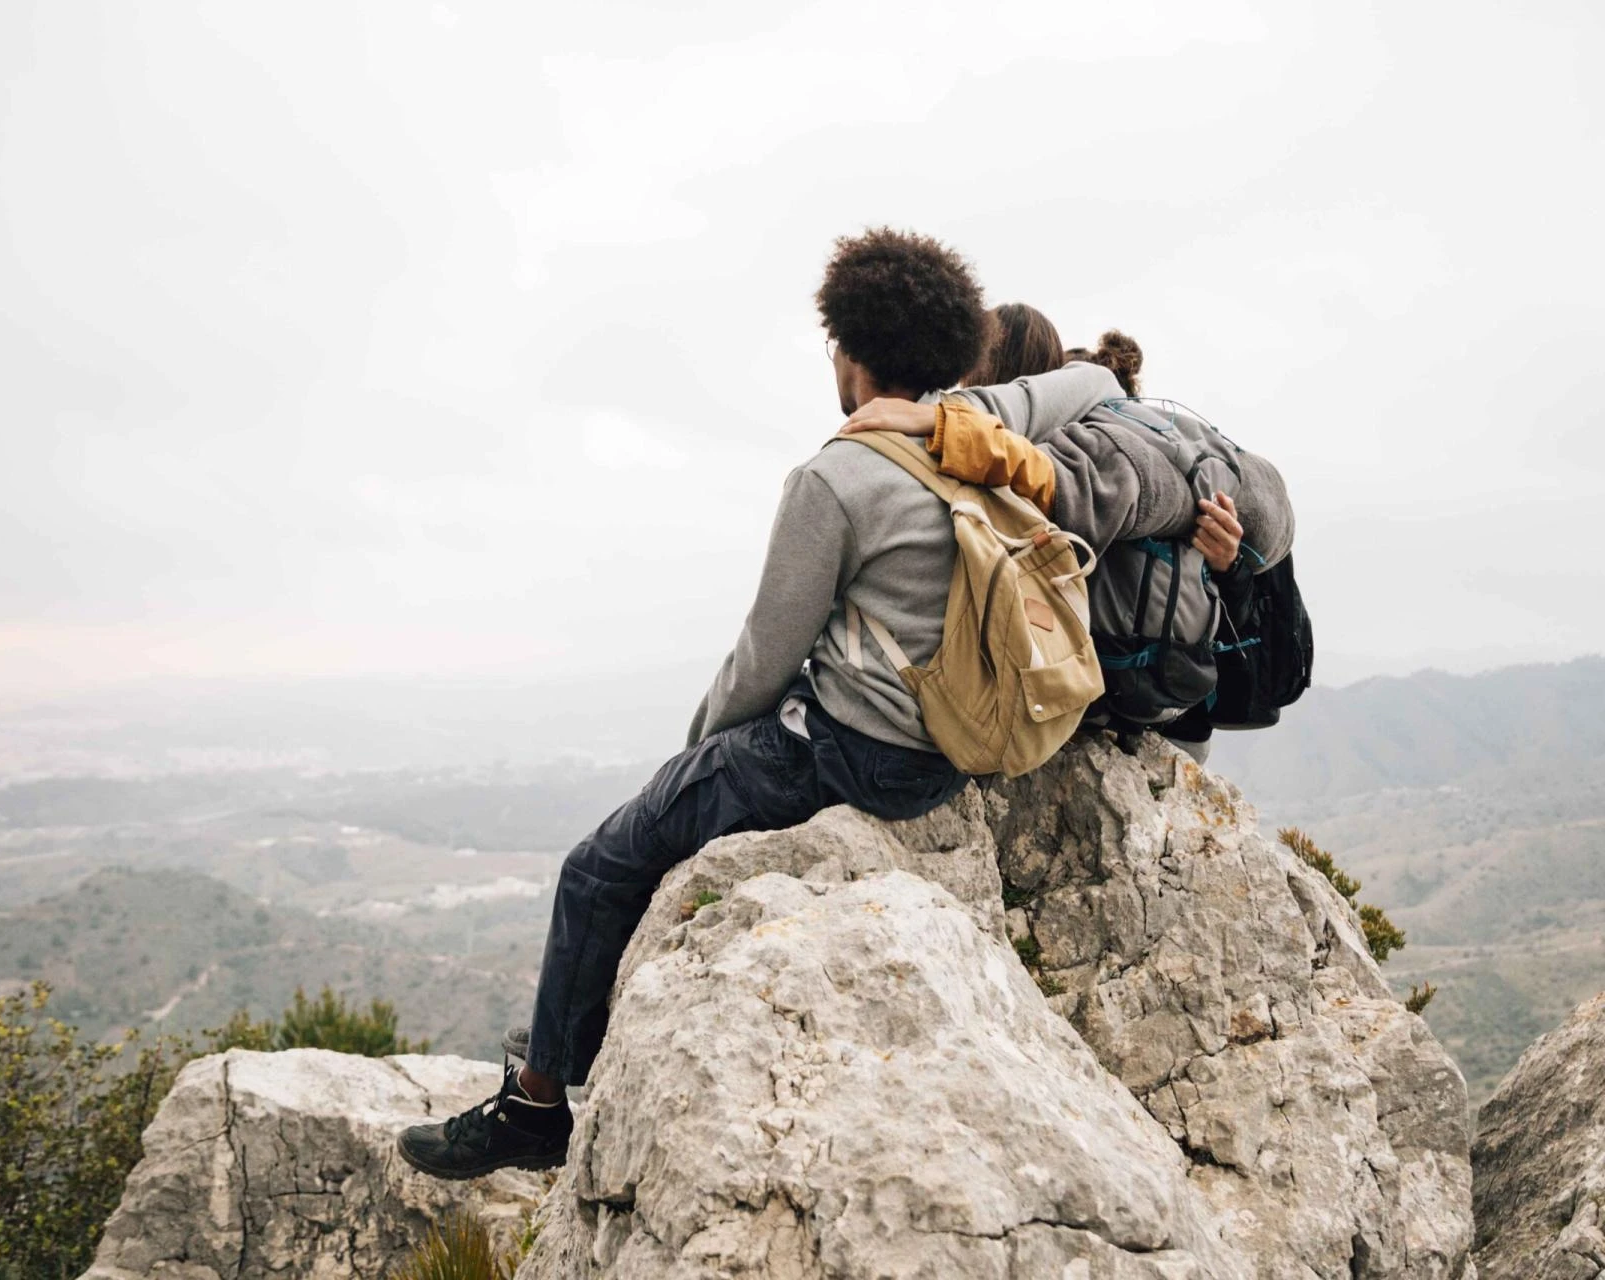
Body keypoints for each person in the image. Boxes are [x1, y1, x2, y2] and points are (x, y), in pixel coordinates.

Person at [395, 229, 1118, 1180]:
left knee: (599, 864)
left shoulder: (835, 478)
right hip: (946, 754)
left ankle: (535, 1109)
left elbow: (763, 663)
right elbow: (1099, 386)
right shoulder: (980, 427)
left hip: (846, 751)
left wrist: (687, 765)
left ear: (850, 354)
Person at [843, 311, 1279, 762]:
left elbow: (1064, 488)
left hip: (1105, 707)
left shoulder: (1072, 440)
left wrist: (943, 424)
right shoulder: (1130, 437)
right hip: (1162, 707)